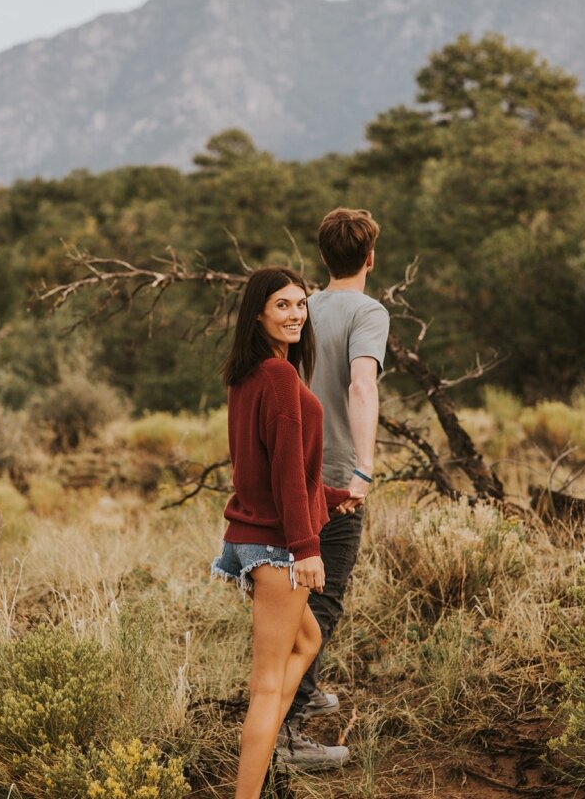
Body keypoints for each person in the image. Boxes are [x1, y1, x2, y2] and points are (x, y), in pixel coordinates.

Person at [210, 266, 358, 798]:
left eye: (300, 304)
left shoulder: (253, 373)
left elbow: (277, 468)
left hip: (256, 536)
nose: (296, 314)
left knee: (309, 641)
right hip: (276, 545)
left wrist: (335, 499)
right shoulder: (275, 377)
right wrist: (307, 548)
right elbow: (286, 472)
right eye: (282, 305)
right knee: (268, 685)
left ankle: (269, 753)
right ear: (258, 314)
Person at [277, 207, 388, 768]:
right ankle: (290, 731)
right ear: (370, 257)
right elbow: (361, 386)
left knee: (304, 592)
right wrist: (362, 469)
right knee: (324, 600)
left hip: (295, 470)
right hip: (337, 475)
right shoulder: (369, 311)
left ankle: (307, 688)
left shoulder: (302, 307)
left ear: (324, 258)